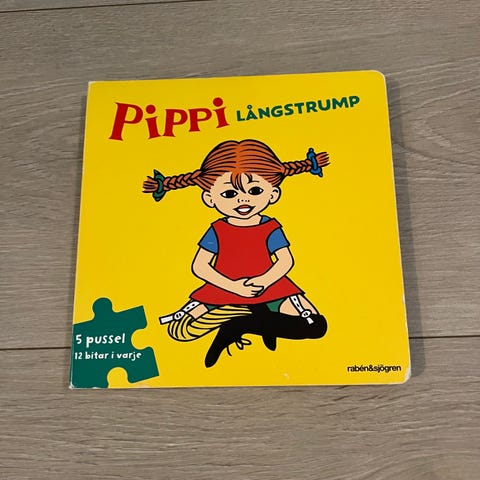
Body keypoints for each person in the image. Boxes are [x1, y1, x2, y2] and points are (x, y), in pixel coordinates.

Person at [143, 139, 329, 367]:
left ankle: (241, 324)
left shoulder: (270, 227)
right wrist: (234, 287)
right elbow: (200, 266)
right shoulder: (217, 230)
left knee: (315, 326)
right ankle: (257, 317)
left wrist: (263, 281)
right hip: (223, 288)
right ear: (209, 198)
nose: (243, 199)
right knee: (179, 330)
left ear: (273, 194)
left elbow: (285, 260)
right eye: (229, 194)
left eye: (255, 191)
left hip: (270, 287)